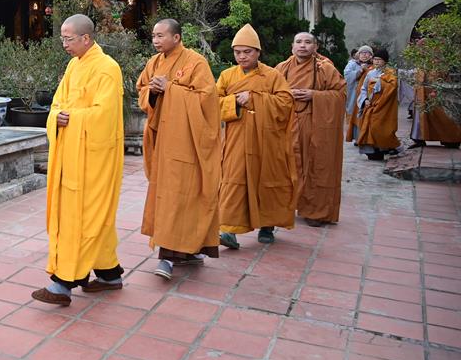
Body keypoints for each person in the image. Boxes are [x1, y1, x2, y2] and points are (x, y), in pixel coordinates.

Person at [32, 15, 125, 306]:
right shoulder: (74, 66)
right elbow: (57, 104)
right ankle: (110, 274)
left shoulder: (108, 68)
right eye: (61, 38)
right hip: (72, 154)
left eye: (68, 38)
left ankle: (63, 283)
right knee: (94, 219)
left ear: (86, 38)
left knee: (84, 218)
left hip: (95, 158)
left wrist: (69, 118)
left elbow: (104, 116)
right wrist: (55, 117)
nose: (64, 44)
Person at [137, 19, 221, 280]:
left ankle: (169, 256)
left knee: (183, 196)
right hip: (162, 141)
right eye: (153, 36)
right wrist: (152, 91)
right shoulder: (154, 63)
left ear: (177, 37)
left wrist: (170, 89)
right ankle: (186, 251)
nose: (156, 40)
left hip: (188, 143)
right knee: (168, 195)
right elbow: (141, 90)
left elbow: (208, 99)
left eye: (161, 36)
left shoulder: (195, 62)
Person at [215, 25, 296, 249]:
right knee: (233, 181)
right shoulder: (227, 76)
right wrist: (234, 102)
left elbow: (286, 103)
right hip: (236, 138)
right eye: (237, 52)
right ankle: (228, 230)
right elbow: (212, 103)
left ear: (258, 52)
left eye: (247, 52)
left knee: (267, 180)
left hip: (267, 140)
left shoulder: (272, 76)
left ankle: (267, 226)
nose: (242, 56)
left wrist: (254, 99)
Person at [276, 32, 347, 227]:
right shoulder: (281, 68)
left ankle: (316, 211)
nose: (303, 46)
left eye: (308, 42)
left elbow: (340, 94)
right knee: (287, 165)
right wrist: (286, 95)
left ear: (315, 47)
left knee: (317, 164)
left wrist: (314, 95)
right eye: (298, 42)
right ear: (292, 47)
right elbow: (269, 93)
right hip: (288, 124)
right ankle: (285, 206)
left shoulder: (325, 68)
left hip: (315, 124)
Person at [356, 48, 401, 160]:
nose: (376, 62)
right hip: (370, 106)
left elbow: (392, 88)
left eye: (379, 60)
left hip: (384, 107)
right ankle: (372, 151)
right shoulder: (370, 73)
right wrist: (365, 99)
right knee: (369, 127)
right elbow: (364, 88)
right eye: (375, 59)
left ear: (385, 61)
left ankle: (386, 147)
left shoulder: (391, 73)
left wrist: (380, 82)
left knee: (380, 128)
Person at [409, 67, 461, 149]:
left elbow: (443, 77)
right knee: (422, 116)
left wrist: (436, 90)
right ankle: (420, 138)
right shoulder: (422, 64)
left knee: (442, 114)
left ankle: (451, 139)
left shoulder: (438, 63)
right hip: (421, 91)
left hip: (434, 90)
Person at [344, 45, 373, 142]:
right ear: (358, 55)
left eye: (367, 53)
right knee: (356, 115)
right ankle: (358, 138)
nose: (364, 55)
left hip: (368, 97)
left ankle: (367, 137)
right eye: (362, 53)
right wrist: (360, 71)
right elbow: (347, 76)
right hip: (354, 95)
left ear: (371, 55)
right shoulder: (352, 64)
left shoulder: (374, 65)